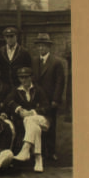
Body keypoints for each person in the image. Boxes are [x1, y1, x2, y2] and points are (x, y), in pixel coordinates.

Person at [5, 67, 51, 173]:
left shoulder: (38, 89)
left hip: (43, 120)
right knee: (34, 127)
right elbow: (8, 101)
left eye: (26, 77)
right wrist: (19, 109)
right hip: (31, 124)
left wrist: (33, 112)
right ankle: (38, 159)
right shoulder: (16, 90)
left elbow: (47, 106)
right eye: (21, 78)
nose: (24, 80)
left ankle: (25, 150)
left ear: (31, 78)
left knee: (29, 119)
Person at [31, 32, 66, 161]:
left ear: (48, 47)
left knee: (51, 125)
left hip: (51, 100)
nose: (41, 48)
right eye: (39, 46)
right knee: (37, 123)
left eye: (44, 46)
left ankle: (51, 152)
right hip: (38, 99)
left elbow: (59, 82)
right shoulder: (34, 61)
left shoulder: (56, 62)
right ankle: (38, 151)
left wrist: (56, 100)